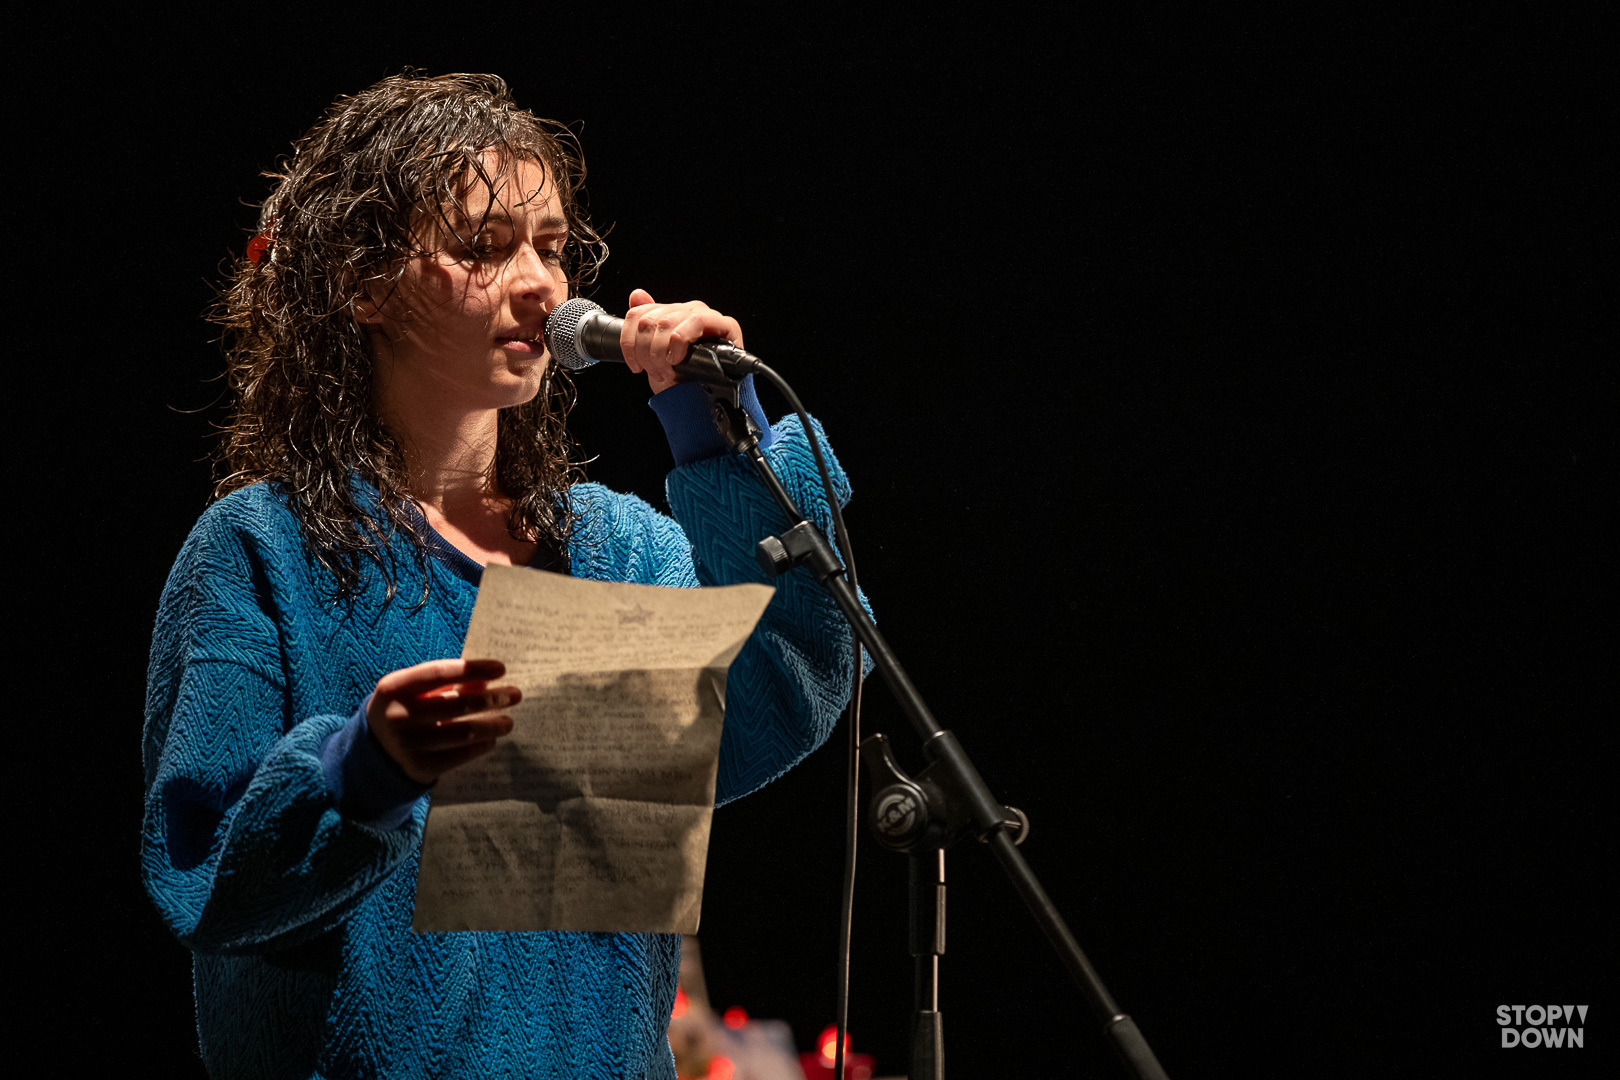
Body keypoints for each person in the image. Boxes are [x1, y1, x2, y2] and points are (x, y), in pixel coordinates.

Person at [141, 72, 863, 1079]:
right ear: (363, 283)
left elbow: (790, 677)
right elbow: (201, 870)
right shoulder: (264, 551)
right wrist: (359, 775)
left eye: (554, 247)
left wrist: (714, 439)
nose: (542, 284)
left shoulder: (620, 555)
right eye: (483, 248)